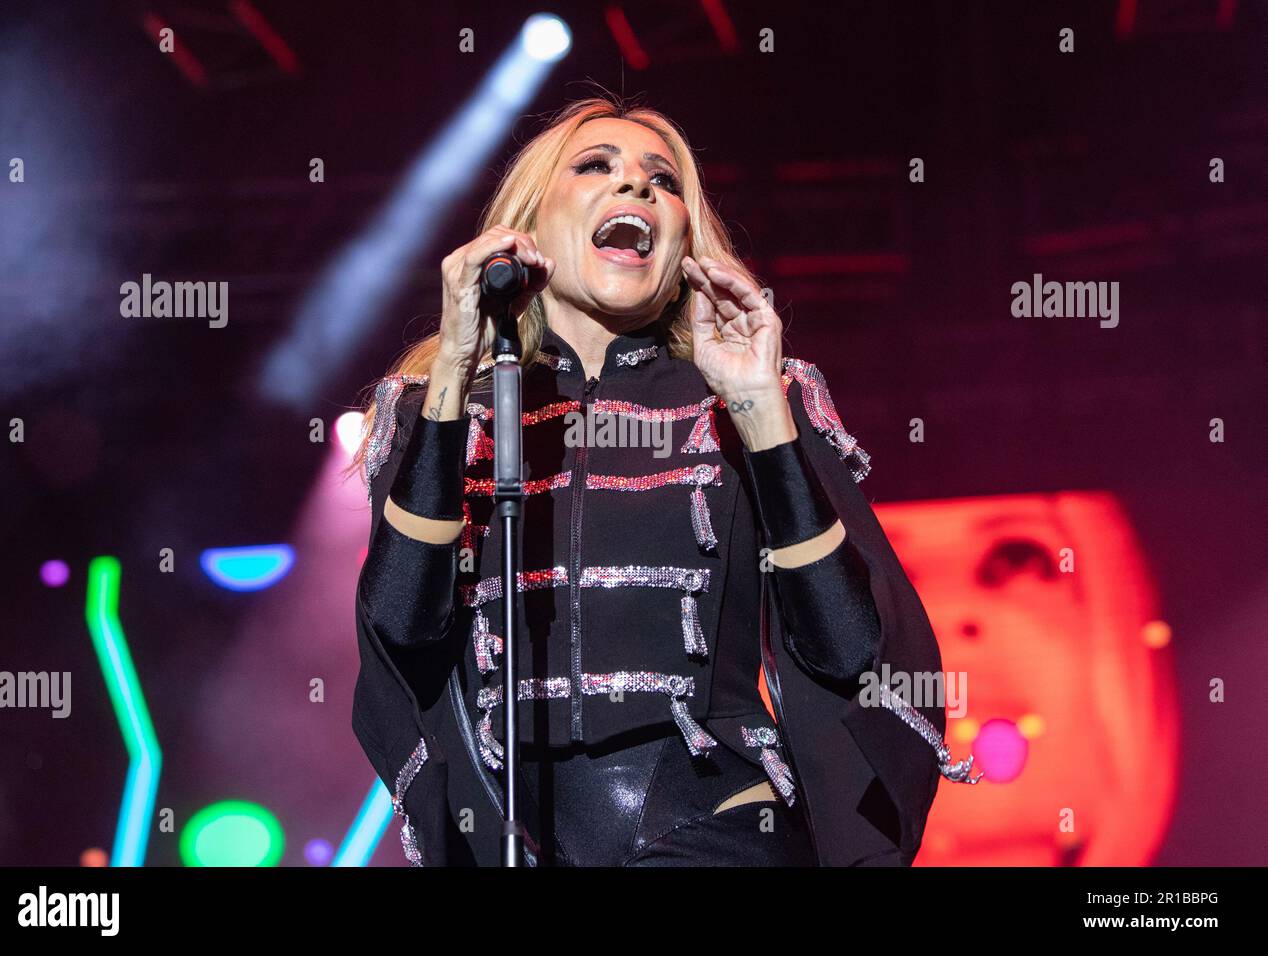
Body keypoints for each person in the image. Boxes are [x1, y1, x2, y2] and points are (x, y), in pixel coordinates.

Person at [348, 96, 971, 867]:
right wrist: (452, 369)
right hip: (515, 839)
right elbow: (401, 632)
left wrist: (756, 407)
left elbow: (847, 651)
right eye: (597, 166)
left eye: (663, 180)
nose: (638, 188)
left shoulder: (745, 400)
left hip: (717, 826)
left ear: (682, 241)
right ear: (529, 226)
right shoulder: (450, 414)